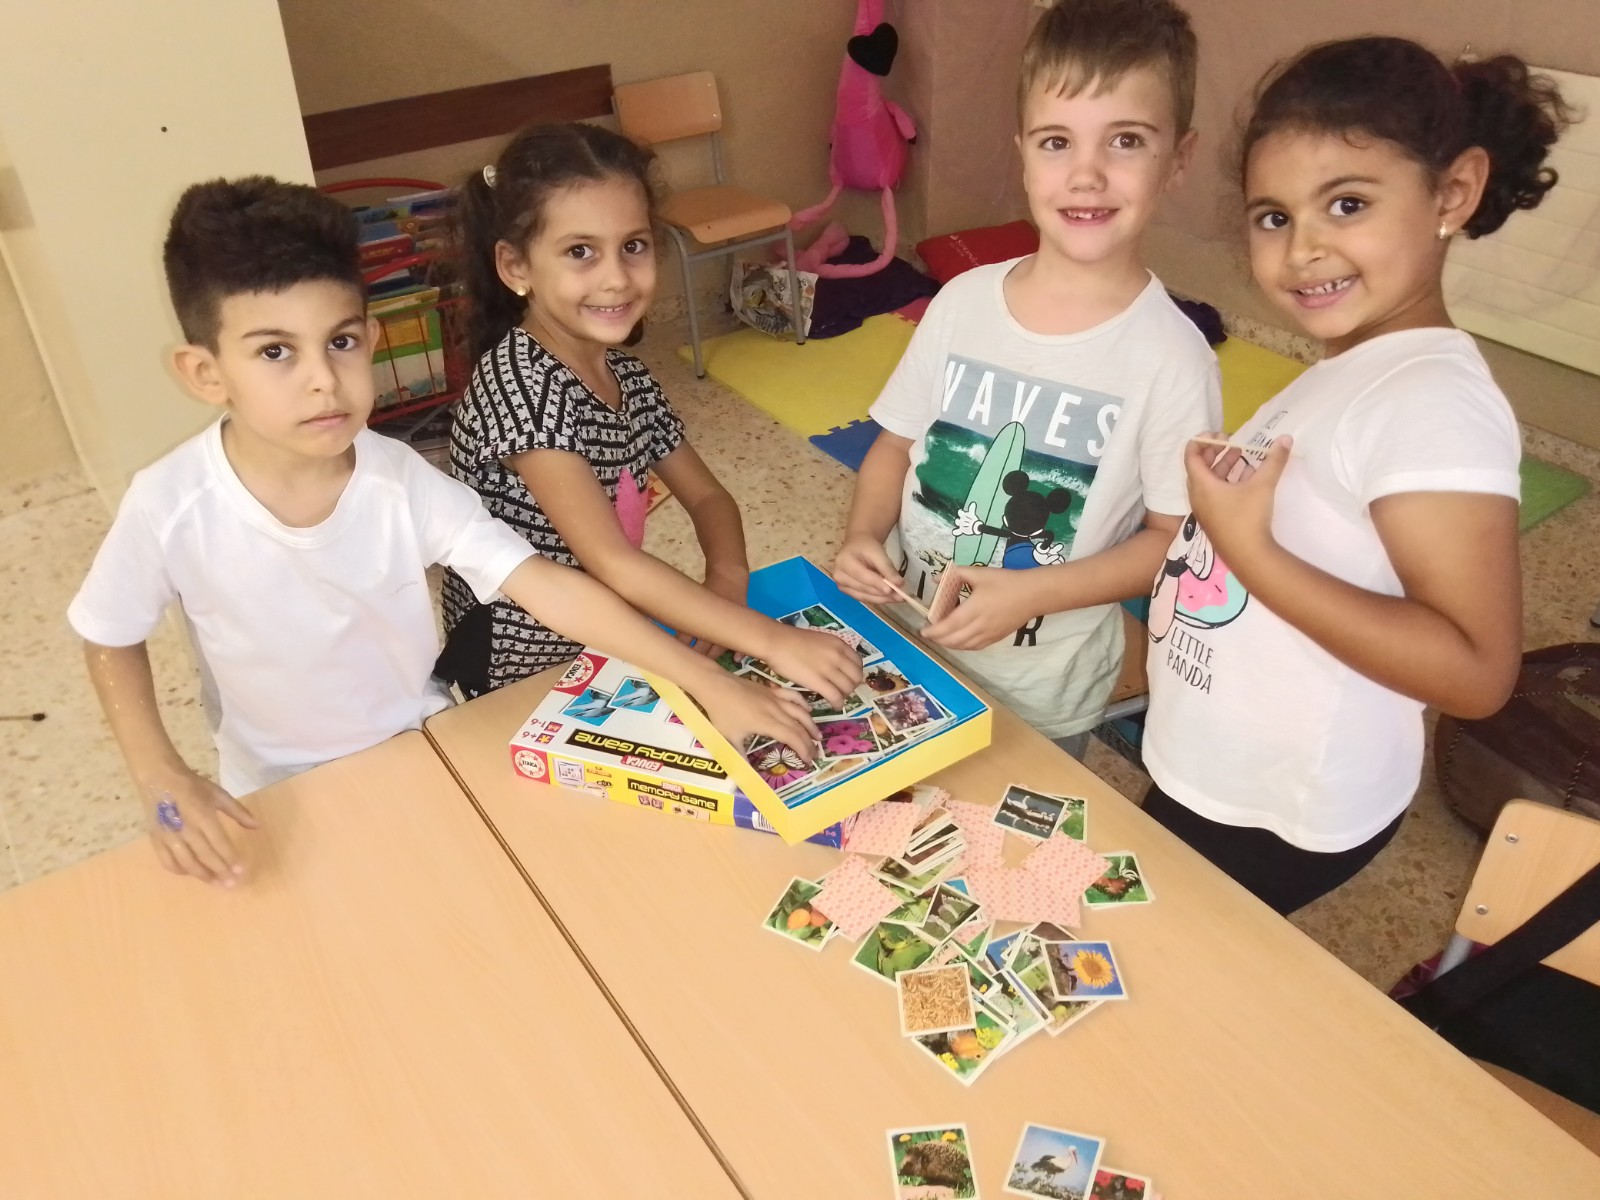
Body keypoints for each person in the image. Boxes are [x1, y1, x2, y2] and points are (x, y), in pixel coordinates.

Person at [69, 177, 826, 886]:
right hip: (274, 786)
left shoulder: (400, 479)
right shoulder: (169, 504)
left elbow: (550, 587)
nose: (323, 380)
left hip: (424, 743)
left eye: (341, 342)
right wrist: (160, 775)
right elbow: (108, 635)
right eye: (276, 352)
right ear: (204, 373)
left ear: (371, 337)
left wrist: (711, 684)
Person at [1142, 37, 1574, 913]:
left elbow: (1476, 673)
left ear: (1453, 193)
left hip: (1276, 810)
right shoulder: (1357, 366)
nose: (1303, 249)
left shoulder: (1431, 401)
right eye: (1274, 217)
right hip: (1221, 769)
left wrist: (1250, 550)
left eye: (1347, 204)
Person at [832, 0, 1221, 757]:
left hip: (1043, 691)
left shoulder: (1174, 360)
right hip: (905, 641)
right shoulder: (961, 302)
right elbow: (894, 448)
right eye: (1056, 141)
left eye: (1127, 140)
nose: (1086, 174)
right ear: (1023, 152)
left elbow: (1171, 540)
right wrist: (861, 536)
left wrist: (1034, 590)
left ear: (1178, 159)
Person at [437, 122, 862, 703]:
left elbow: (709, 499)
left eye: (633, 246)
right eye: (580, 252)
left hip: (607, 632)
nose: (616, 278)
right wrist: (769, 639)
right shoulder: (520, 387)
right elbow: (613, 562)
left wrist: (726, 584)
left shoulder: (626, 376)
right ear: (516, 267)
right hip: (517, 662)